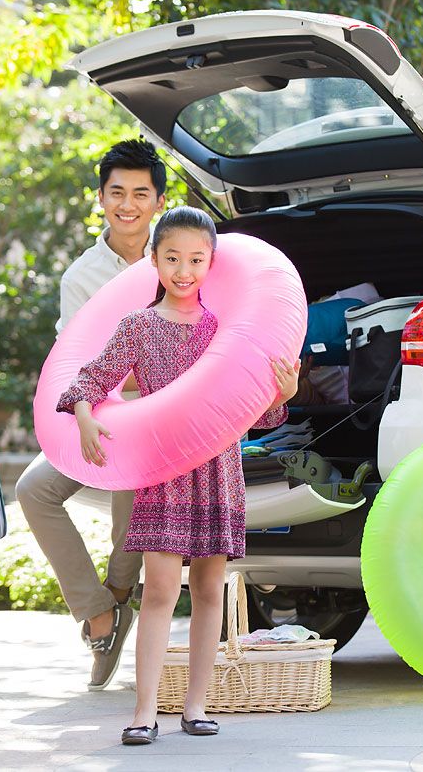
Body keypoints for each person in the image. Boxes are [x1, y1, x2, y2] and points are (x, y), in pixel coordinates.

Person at [55, 206, 300, 745]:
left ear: (212, 263)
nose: (184, 270)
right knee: (161, 589)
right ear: (154, 260)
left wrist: (284, 395)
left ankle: (196, 705)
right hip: (162, 471)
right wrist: (87, 419)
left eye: (196, 259)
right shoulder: (138, 326)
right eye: (172, 258)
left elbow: (252, 413)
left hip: (217, 469)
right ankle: (145, 710)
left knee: (211, 587)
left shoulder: (224, 329)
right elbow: (88, 381)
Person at [15, 139, 167, 690]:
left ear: (158, 201)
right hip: (98, 410)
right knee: (34, 490)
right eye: (117, 192)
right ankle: (99, 611)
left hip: (165, 416)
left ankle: (122, 595)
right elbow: (77, 359)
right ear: (101, 197)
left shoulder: (179, 252)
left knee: (134, 473)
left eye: (140, 194)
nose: (127, 205)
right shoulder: (82, 275)